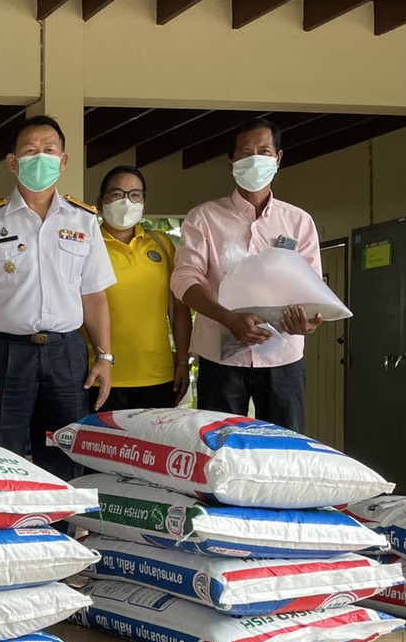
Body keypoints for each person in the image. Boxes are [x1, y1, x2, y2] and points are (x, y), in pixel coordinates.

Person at [0, 114, 116, 480]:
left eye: (49, 150)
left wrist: (104, 357)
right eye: (30, 150)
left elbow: (94, 295)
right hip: (5, 354)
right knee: (1, 460)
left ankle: (62, 519)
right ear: (12, 162)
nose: (41, 157)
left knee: (67, 458)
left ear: (63, 160)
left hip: (66, 354)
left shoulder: (84, 220)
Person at [169, 118, 323, 431]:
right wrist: (227, 318)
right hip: (220, 359)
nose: (255, 160)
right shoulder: (204, 218)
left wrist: (307, 321)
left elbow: (312, 287)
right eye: (244, 154)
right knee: (220, 445)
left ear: (278, 158)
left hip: (283, 357)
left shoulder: (299, 221)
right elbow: (184, 279)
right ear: (231, 165)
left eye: (264, 152)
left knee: (284, 446)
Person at [96, 165, 193, 410]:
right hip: (100, 373)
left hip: (158, 375)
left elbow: (179, 310)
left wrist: (183, 362)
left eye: (135, 195)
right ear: (100, 201)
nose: (126, 202)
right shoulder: (87, 245)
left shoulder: (161, 244)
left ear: (144, 201)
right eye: (117, 194)